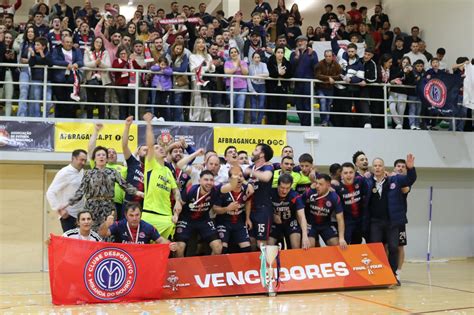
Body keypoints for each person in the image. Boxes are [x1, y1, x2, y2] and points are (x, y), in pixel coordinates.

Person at [58, 146, 143, 232]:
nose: (101, 156)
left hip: (108, 208)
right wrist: (66, 204)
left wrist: (137, 192)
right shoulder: (88, 174)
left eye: (103, 155)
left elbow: (124, 184)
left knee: (108, 233)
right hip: (91, 209)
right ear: (94, 159)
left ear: (106, 159)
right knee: (91, 234)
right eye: (98, 155)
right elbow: (80, 192)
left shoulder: (113, 172)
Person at [366, 154, 417, 283]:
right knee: (376, 249)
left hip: (392, 222)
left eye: (380, 165)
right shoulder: (367, 182)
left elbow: (410, 180)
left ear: (384, 168)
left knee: (394, 248)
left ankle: (393, 275)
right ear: (372, 168)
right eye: (375, 165)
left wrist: (411, 169)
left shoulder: (395, 180)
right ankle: (378, 275)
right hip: (375, 222)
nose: (377, 168)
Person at [174, 169, 239, 257]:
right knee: (179, 247)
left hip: (203, 220)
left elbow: (231, 186)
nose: (209, 182)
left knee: (218, 247)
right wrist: (176, 215)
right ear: (199, 181)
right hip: (186, 220)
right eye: (206, 180)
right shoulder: (190, 190)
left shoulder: (215, 190)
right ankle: (179, 270)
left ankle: (211, 268)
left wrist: (235, 176)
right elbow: (179, 204)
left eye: (211, 180)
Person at [142, 112, 182, 239]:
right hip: (149, 214)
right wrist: (149, 124)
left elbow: (176, 191)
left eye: (161, 147)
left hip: (166, 216)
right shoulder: (151, 164)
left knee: (166, 249)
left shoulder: (168, 171)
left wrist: (177, 202)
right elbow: (149, 143)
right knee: (146, 250)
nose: (160, 149)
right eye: (156, 148)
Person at [99, 202, 176, 250]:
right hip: (123, 260)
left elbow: (161, 240)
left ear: (141, 215)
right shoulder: (119, 225)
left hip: (142, 260)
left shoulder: (148, 227)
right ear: (126, 215)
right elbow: (103, 234)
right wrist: (106, 224)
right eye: (131, 215)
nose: (134, 218)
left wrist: (170, 244)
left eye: (137, 215)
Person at [214, 167, 254, 253]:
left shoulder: (247, 189)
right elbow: (215, 209)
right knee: (222, 248)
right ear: (229, 179)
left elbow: (248, 202)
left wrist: (247, 218)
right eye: (235, 176)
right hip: (223, 222)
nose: (238, 178)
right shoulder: (223, 190)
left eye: (240, 175)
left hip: (239, 222)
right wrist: (227, 208)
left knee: (247, 248)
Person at [46, 149, 88, 232]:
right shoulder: (64, 172)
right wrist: (59, 209)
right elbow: (50, 192)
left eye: (85, 160)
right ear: (73, 158)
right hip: (68, 215)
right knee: (71, 243)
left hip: (81, 216)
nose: (83, 163)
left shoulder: (82, 172)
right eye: (81, 160)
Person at [302, 174, 347, 248]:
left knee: (337, 244)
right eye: (316, 183)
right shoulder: (310, 192)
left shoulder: (334, 197)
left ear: (328, 185)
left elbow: (340, 218)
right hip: (310, 225)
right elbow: (299, 208)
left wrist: (341, 238)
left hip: (326, 225)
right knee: (308, 246)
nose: (317, 186)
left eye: (320, 184)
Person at [245, 143, 274, 250]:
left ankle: (266, 266)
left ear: (261, 155)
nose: (253, 152)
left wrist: (251, 172)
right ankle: (252, 266)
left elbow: (266, 177)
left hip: (263, 210)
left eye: (256, 150)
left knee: (261, 244)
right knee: (251, 242)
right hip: (249, 210)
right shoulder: (250, 167)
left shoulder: (268, 167)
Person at [269, 174, 309, 249]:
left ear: (291, 187)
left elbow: (302, 216)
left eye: (287, 188)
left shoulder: (295, 195)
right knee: (269, 245)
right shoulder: (270, 194)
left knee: (296, 244)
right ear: (277, 185)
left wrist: (305, 236)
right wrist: (272, 216)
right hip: (275, 224)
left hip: (290, 222)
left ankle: (295, 260)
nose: (284, 191)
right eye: (282, 188)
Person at [334, 162, 368, 244]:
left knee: (357, 242)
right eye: (345, 173)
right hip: (346, 221)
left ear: (354, 173)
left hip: (360, 219)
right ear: (341, 174)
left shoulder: (360, 181)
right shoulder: (337, 187)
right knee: (345, 244)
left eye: (351, 172)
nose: (348, 175)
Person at [50, 35, 84, 118]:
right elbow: (53, 60)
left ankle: (71, 120)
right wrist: (66, 64)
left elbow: (81, 61)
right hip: (59, 79)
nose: (69, 44)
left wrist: (77, 64)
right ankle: (59, 121)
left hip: (72, 80)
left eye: (71, 42)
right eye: (67, 42)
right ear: (62, 43)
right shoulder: (56, 50)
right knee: (60, 101)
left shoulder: (76, 51)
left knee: (72, 101)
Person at [290, 35, 318, 126]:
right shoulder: (293, 53)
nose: (299, 43)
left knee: (307, 105)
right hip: (297, 83)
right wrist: (296, 57)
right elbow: (291, 67)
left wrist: (311, 56)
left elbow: (316, 67)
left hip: (308, 82)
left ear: (306, 42)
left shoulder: (312, 53)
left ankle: (307, 124)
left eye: (302, 41)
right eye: (298, 41)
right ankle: (303, 123)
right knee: (299, 105)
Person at [122, 116, 147, 207]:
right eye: (144, 150)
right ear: (138, 152)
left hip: (144, 206)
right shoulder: (133, 162)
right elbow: (124, 146)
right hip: (128, 203)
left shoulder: (153, 168)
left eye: (149, 150)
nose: (147, 152)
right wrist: (127, 127)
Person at [83, 36, 111, 119]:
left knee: (101, 102)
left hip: (101, 80)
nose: (98, 44)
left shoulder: (105, 52)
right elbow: (86, 64)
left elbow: (108, 65)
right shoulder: (88, 51)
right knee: (90, 101)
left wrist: (100, 63)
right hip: (90, 79)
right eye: (97, 42)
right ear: (93, 43)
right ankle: (89, 120)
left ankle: (101, 121)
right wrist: (96, 62)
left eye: (100, 42)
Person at [393, 158, 411, 283]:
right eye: (398, 166)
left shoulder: (405, 183)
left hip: (399, 220)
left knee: (400, 246)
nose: (400, 168)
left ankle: (398, 272)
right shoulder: (389, 180)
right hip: (387, 220)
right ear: (394, 168)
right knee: (387, 245)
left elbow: (406, 189)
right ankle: (388, 270)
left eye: (403, 167)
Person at [189, 38, 215, 122]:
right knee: (197, 99)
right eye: (198, 43)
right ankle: (195, 119)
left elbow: (213, 69)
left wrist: (207, 67)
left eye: (203, 43)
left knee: (205, 99)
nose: (201, 44)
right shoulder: (192, 56)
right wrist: (206, 67)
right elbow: (194, 69)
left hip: (206, 80)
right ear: (195, 45)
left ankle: (206, 118)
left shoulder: (208, 56)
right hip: (196, 80)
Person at [314, 49, 342, 126]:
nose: (328, 58)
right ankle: (324, 121)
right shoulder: (320, 64)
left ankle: (326, 121)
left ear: (332, 56)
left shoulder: (336, 64)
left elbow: (340, 76)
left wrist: (330, 78)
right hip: (321, 88)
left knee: (328, 105)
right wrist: (329, 78)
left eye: (329, 56)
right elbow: (317, 75)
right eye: (326, 56)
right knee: (322, 103)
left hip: (330, 88)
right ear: (324, 56)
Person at [266, 46, 292, 125]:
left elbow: (290, 74)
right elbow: (270, 74)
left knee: (282, 108)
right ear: (275, 53)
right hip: (272, 89)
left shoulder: (287, 63)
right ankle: (272, 126)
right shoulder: (270, 61)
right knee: (272, 108)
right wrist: (278, 73)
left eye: (282, 53)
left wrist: (284, 74)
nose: (280, 54)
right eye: (278, 52)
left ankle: (282, 125)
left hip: (283, 89)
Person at [224, 47, 248, 124]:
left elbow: (245, 73)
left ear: (238, 53)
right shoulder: (227, 63)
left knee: (240, 108)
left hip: (242, 88)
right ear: (230, 55)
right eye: (232, 52)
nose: (234, 53)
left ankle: (239, 124)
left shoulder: (243, 63)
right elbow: (227, 72)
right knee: (232, 107)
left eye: (235, 52)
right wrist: (236, 67)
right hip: (231, 88)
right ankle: (231, 123)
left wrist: (240, 65)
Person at [16, 26, 36, 117]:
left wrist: (28, 61)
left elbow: (39, 59)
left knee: (33, 95)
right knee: (23, 92)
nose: (30, 33)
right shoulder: (23, 43)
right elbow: (19, 58)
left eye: (32, 31)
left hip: (35, 71)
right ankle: (21, 116)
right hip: (24, 70)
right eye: (28, 32)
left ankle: (31, 116)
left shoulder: (38, 44)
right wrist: (21, 61)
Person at [169, 42, 189, 122]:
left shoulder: (184, 56)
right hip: (168, 83)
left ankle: (179, 122)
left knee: (178, 103)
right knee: (170, 103)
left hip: (179, 84)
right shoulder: (169, 55)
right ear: (173, 48)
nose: (178, 50)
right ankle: (170, 121)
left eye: (180, 49)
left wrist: (171, 69)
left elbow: (182, 69)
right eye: (177, 48)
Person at [248, 51, 269, 125]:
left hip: (262, 85)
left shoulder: (263, 65)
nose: (257, 59)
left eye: (258, 57)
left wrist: (257, 75)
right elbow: (249, 79)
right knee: (253, 106)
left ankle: (259, 122)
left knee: (261, 105)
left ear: (260, 58)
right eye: (255, 57)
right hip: (253, 85)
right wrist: (251, 90)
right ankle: (253, 122)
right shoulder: (250, 66)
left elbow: (267, 74)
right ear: (252, 59)